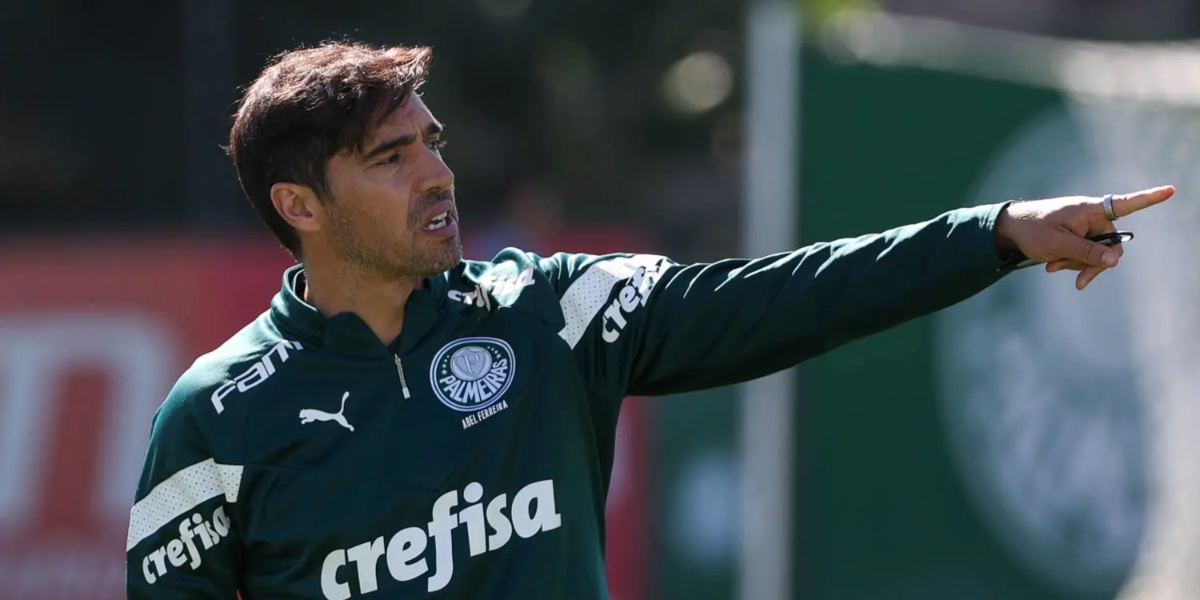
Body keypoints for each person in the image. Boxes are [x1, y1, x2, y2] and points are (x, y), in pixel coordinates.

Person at [124, 40, 1174, 600]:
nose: (438, 173)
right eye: (391, 157)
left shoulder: (547, 312)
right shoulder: (217, 417)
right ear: (300, 205)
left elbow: (784, 296)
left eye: (432, 141)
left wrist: (988, 233)